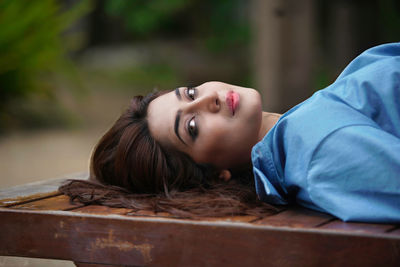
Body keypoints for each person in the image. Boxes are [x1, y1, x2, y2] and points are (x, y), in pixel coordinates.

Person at [60, 42, 400, 222]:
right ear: (216, 175)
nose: (209, 99)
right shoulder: (315, 147)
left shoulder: (303, 132)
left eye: (190, 92)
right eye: (192, 127)